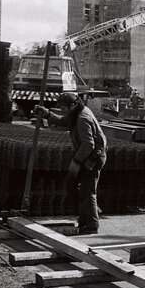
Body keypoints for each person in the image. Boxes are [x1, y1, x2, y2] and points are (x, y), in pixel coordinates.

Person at [35, 92, 107, 235]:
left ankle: (92, 225)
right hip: (87, 154)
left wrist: (77, 162)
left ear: (73, 105)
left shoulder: (82, 118)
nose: (62, 111)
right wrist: (47, 114)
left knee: (88, 191)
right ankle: (85, 214)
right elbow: (63, 121)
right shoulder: (76, 112)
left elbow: (88, 144)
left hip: (93, 157)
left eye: (63, 108)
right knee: (71, 183)